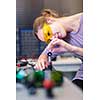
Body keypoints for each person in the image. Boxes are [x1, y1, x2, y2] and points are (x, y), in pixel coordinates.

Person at [33, 12, 83, 90]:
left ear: (49, 20)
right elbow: (45, 54)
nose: (52, 38)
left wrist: (72, 48)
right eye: (48, 40)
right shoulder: (60, 39)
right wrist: (43, 57)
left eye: (48, 33)